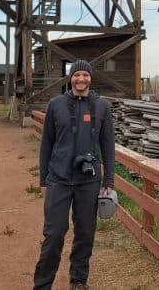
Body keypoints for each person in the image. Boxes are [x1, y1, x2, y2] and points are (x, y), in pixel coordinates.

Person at [34, 60, 115, 290]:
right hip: (58, 179)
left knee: (85, 234)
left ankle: (78, 280)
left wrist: (109, 179)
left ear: (91, 78)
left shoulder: (102, 107)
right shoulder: (56, 104)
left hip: (88, 182)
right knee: (54, 234)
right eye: (77, 75)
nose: (81, 79)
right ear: (71, 78)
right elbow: (46, 143)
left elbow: (108, 145)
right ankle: (42, 285)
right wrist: (44, 178)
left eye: (85, 75)